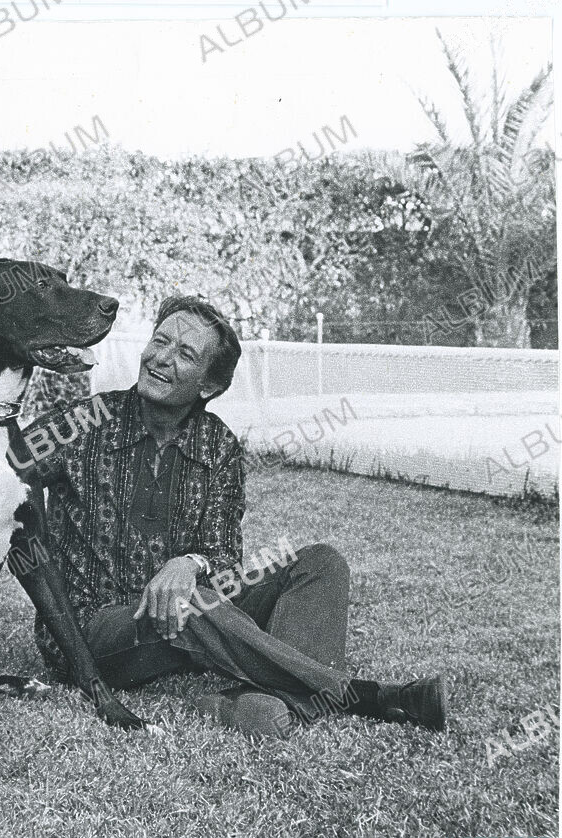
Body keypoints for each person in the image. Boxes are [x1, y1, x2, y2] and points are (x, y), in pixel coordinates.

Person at [24, 294, 446, 738]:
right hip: (93, 632)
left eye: (185, 354)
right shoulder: (87, 418)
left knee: (321, 562)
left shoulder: (218, 446)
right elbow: (3, 463)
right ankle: (368, 696)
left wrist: (190, 563)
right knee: (194, 602)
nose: (161, 358)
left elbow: (223, 554)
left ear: (208, 386)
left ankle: (247, 707)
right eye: (160, 341)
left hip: (192, 623)